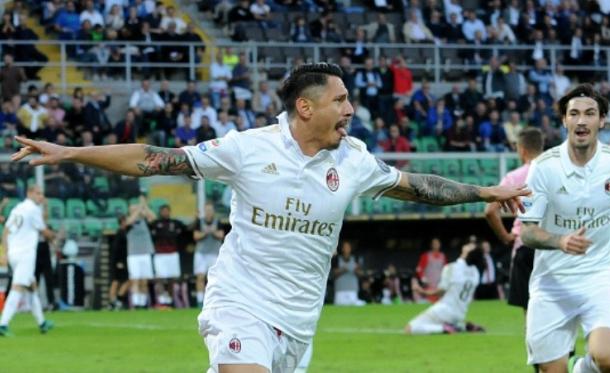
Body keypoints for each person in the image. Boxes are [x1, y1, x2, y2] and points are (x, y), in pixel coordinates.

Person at [11, 63, 529, 372]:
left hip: (299, 319)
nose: (351, 109)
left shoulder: (353, 158)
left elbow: (418, 187)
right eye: (341, 99)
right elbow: (154, 159)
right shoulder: (246, 149)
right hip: (240, 302)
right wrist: (70, 152)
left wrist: (481, 190)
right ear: (305, 108)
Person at [519, 84, 610, 373]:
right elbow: (527, 232)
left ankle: (584, 368)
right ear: (565, 120)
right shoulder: (543, 167)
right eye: (574, 114)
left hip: (599, 277)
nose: (581, 120)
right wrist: (559, 240)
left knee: (608, 358)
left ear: (601, 120)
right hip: (552, 283)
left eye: (590, 113)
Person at [485, 127, 544, 312]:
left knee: (530, 308)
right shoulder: (557, 171)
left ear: (522, 149)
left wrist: (505, 236)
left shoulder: (515, 176)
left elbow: (490, 211)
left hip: (525, 244)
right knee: (556, 307)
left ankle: (533, 341)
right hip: (554, 243)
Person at [0, 186, 55, 336]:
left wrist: (5, 252)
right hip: (26, 254)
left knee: (32, 286)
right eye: (38, 193)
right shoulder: (33, 209)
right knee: (17, 287)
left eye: (42, 193)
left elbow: (5, 231)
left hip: (13, 253)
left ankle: (42, 323)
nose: (40, 196)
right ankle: (3, 324)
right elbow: (44, 231)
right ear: (29, 193)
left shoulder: (18, 208)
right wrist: (54, 236)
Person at [405, 242, 484, 335]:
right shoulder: (476, 273)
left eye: (470, 246)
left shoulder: (452, 268)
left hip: (445, 310)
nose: (467, 245)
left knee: (410, 328)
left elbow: (440, 292)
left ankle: (444, 328)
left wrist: (421, 291)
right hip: (461, 314)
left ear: (468, 253)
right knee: (441, 320)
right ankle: (461, 326)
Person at [150, 204, 188, 308]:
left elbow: (187, 229)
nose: (165, 213)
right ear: (160, 212)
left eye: (167, 211)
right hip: (160, 254)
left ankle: (170, 300)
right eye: (163, 211)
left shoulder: (175, 223)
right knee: (160, 278)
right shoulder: (155, 223)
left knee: (172, 278)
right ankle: (162, 299)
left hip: (172, 254)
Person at [193, 203, 226, 308]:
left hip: (214, 253)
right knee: (200, 277)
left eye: (210, 210)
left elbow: (221, 235)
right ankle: (199, 300)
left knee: (214, 279)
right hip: (201, 253)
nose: (208, 212)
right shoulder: (199, 222)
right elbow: (196, 236)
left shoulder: (218, 222)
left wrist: (212, 232)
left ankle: (214, 301)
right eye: (207, 210)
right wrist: (206, 233)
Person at [125, 197, 155, 309]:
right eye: (133, 209)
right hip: (133, 254)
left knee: (144, 280)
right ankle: (136, 303)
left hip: (145, 253)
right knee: (135, 279)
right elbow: (130, 221)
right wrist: (140, 206)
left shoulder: (144, 221)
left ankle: (143, 303)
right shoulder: (128, 221)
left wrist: (145, 207)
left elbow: (153, 218)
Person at [332, 240, 364, 306]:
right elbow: (333, 273)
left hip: (352, 289)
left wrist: (355, 269)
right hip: (340, 290)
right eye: (345, 247)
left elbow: (361, 273)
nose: (346, 249)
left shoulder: (356, 259)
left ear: (351, 248)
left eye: (348, 247)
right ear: (342, 249)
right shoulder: (337, 259)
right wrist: (344, 269)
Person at [108, 214, 130, 310]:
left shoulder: (125, 232)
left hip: (123, 260)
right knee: (117, 281)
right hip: (119, 261)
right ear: (123, 222)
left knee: (123, 280)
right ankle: (114, 300)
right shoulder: (120, 233)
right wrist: (118, 261)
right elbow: (116, 248)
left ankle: (116, 300)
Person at [415, 237, 446, 301]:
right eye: (434, 244)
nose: (436, 245)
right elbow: (419, 269)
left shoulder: (443, 256)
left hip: (439, 284)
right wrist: (424, 279)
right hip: (429, 285)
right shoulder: (426, 256)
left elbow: (446, 269)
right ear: (431, 245)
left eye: (437, 243)